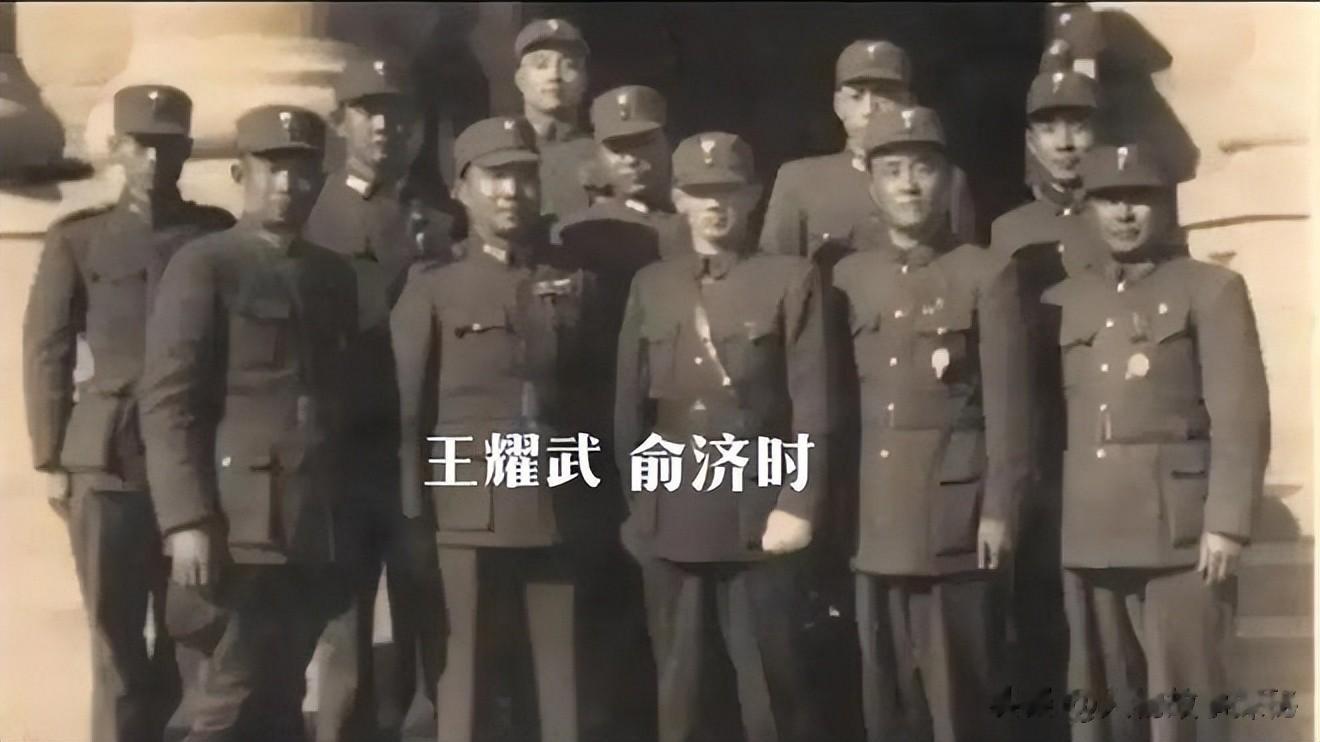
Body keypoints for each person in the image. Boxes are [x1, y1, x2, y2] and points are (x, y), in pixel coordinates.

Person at [21, 83, 233, 742]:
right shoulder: (79, 239)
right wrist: (52, 457)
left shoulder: (214, 235)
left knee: (192, 624)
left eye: (167, 146)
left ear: (187, 151)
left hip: (194, 459)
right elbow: (48, 348)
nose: (153, 160)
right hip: (107, 460)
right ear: (115, 149)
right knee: (113, 637)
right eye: (140, 145)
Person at [140, 104, 358, 742]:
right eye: (271, 168)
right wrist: (185, 520)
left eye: (302, 171)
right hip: (238, 526)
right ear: (240, 173)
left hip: (311, 522)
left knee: (282, 699)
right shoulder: (206, 264)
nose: (287, 185)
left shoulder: (331, 276)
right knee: (227, 702)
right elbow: (170, 402)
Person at [1044, 144, 1269, 742]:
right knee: (1105, 710)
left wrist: (1227, 523)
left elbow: (1240, 414)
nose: (1124, 213)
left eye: (1139, 198)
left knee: (1187, 709)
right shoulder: (1064, 299)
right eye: (1109, 199)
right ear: (1087, 208)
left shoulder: (1211, 289)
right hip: (1091, 534)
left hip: (1181, 538)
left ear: (1165, 204)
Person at [614, 131, 828, 742]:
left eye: (728, 190)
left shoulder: (790, 279)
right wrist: (640, 508)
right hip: (671, 513)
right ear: (678, 199)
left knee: (771, 696)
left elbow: (812, 406)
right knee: (679, 693)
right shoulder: (652, 285)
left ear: (754, 196)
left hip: (758, 513)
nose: (714, 204)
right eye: (699, 191)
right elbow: (629, 412)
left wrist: (798, 504)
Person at [392, 116, 595, 742]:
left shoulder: (574, 282)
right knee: (467, 684)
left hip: (556, 503)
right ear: (462, 189)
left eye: (524, 176)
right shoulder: (433, 286)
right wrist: (413, 517)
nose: (511, 191)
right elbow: (408, 413)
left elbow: (591, 400)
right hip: (465, 515)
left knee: (561, 687)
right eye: (495, 177)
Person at [834, 105, 1029, 742]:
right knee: (886, 702)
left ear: (947, 180)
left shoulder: (985, 273)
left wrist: (999, 509)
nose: (909, 185)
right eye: (893, 171)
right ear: (872, 185)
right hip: (874, 519)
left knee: (960, 703)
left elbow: (1010, 408)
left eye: (923, 169)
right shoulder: (847, 279)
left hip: (956, 520)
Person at [304, 55, 452, 742]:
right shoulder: (311, 215)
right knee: (345, 628)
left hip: (421, 451)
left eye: (398, 113)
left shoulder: (442, 219)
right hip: (343, 452)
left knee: (430, 621)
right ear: (341, 123)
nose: (385, 126)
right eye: (368, 111)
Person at [554, 83, 684, 742]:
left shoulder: (693, 226)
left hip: (676, 436)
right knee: (600, 599)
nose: (633, 159)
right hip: (595, 436)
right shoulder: (575, 236)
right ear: (598, 156)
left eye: (645, 144)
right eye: (618, 148)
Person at [987, 38, 1103, 742]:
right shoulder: (1008, 232)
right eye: (1049, 128)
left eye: (1078, 126)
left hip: (1108, 440)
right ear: (1031, 141)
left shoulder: (1124, 217)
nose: (1064, 142)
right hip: (1040, 441)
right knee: (1038, 610)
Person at [760, 39, 978, 262]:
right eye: (856, 96)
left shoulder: (947, 181)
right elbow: (776, 274)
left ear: (910, 102)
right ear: (838, 105)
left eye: (885, 95)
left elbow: (964, 269)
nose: (869, 109)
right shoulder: (800, 180)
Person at [514, 17, 595, 220]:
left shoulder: (603, 157)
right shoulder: (497, 152)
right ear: (520, 79)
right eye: (541, 64)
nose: (554, 75)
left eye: (569, 65)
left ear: (584, 81)